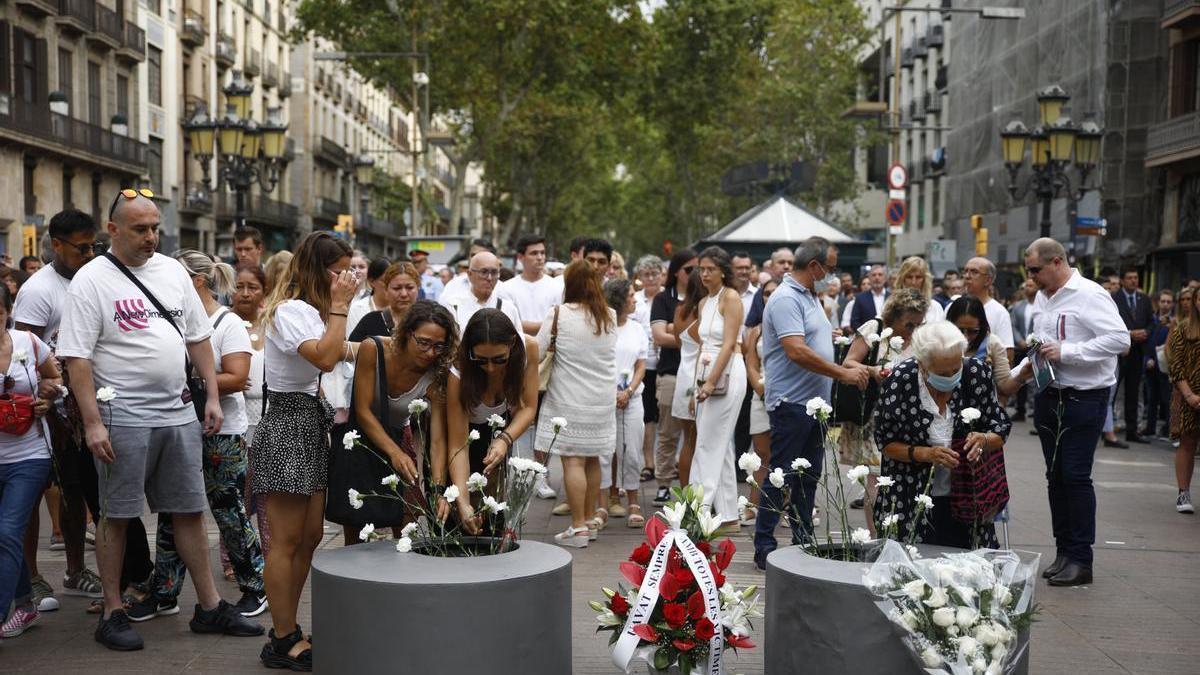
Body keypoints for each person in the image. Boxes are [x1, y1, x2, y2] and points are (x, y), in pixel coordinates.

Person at [57, 191, 261, 650]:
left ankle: (209, 606)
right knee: (117, 514)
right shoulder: (92, 280)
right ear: (113, 231)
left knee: (189, 509)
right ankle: (113, 611)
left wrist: (210, 394)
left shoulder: (172, 271)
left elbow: (198, 337)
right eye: (140, 229)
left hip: (176, 411)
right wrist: (92, 423)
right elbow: (78, 359)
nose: (152, 237)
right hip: (121, 414)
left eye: (155, 229)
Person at [137, 250, 264, 618]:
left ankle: (256, 585)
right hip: (178, 424)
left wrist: (184, 383)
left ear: (195, 282)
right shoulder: (172, 322)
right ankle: (164, 590)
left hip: (223, 432)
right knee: (172, 510)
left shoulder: (228, 323)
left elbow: (238, 377)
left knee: (228, 513)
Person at [251, 231, 357, 669]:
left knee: (310, 536)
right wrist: (341, 307)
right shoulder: (290, 310)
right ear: (319, 271)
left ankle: (287, 625)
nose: (347, 279)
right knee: (285, 540)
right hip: (288, 421)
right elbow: (326, 358)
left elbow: (341, 349)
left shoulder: (310, 311)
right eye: (340, 271)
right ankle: (283, 636)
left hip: (310, 419)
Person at [1013, 238, 1130, 587]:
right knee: (1055, 476)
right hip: (1051, 396)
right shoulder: (1042, 299)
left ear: (1058, 262)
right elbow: (1040, 347)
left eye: (1035, 269)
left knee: (1076, 477)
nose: (1031, 277)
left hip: (1084, 397)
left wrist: (1070, 351)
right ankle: (1064, 551)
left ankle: (1081, 558)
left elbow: (1120, 340)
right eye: (1028, 270)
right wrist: (1018, 373)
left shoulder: (1090, 294)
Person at [13, 209, 108, 612]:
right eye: (81, 247)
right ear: (56, 245)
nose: (89, 254)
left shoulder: (95, 279)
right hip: (46, 413)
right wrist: (46, 393)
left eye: (93, 246)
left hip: (82, 407)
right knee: (34, 495)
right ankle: (32, 577)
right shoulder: (38, 290)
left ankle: (74, 570)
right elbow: (21, 354)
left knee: (76, 491)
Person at [755, 237, 871, 570]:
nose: (833, 274)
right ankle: (765, 545)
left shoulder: (809, 296)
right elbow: (796, 350)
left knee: (807, 477)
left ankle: (802, 540)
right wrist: (841, 374)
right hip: (792, 402)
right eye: (831, 267)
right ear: (814, 266)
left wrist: (846, 360)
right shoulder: (785, 298)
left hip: (813, 403)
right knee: (781, 476)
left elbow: (815, 344)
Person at [873, 321, 1012, 549]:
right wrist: (926, 454)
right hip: (910, 496)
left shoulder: (976, 373)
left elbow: (1000, 428)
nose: (950, 377)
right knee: (910, 570)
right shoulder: (901, 380)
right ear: (921, 365)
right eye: (941, 372)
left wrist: (984, 440)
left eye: (955, 368)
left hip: (969, 496)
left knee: (968, 570)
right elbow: (886, 442)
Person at [352, 301, 458, 540]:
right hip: (362, 443)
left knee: (407, 520)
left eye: (439, 346)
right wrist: (395, 453)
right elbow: (363, 410)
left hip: (400, 438)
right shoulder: (374, 349)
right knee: (359, 527)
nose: (430, 352)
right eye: (423, 342)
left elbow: (438, 440)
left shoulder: (435, 374)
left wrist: (439, 489)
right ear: (406, 333)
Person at [537, 261, 617, 548]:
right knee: (593, 459)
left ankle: (578, 526)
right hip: (601, 400)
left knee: (572, 460)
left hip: (568, 398)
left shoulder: (559, 314)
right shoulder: (610, 315)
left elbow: (536, 351)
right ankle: (590, 521)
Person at [0, 282, 62, 638]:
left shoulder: (29, 343)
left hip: (30, 453)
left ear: (7, 311)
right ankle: (25, 606)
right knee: (5, 536)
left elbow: (56, 378)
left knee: (8, 530)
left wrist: (48, 399)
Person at [840, 288, 929, 536]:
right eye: (908, 324)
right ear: (894, 316)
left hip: (909, 418)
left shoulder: (921, 335)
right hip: (872, 417)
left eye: (918, 324)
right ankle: (877, 537)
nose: (913, 330)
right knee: (877, 482)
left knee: (900, 480)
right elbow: (848, 363)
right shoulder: (874, 328)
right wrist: (873, 371)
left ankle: (900, 534)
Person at [442, 309, 536, 534]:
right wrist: (462, 501)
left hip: (498, 432)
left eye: (499, 359)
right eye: (481, 360)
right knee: (458, 524)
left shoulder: (528, 349)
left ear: (512, 344)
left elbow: (529, 407)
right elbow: (458, 445)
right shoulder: (459, 371)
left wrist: (504, 439)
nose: (491, 368)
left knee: (494, 517)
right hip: (461, 442)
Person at [690, 247, 745, 526]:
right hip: (705, 371)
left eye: (710, 268)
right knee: (719, 443)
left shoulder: (730, 297)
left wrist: (711, 382)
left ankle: (699, 510)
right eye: (702, 268)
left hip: (729, 371)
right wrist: (696, 385)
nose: (705, 273)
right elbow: (702, 346)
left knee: (709, 443)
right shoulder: (703, 303)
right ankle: (728, 515)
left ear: (723, 270)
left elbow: (729, 343)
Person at [649, 250, 697, 502]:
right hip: (671, 374)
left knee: (697, 433)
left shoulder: (704, 297)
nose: (696, 274)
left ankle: (694, 484)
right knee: (668, 432)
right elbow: (659, 336)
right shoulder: (662, 298)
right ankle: (664, 482)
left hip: (699, 375)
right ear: (677, 271)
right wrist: (691, 337)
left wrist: (675, 329)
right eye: (690, 269)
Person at [231, 263, 271, 557]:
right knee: (236, 495)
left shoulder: (273, 325)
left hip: (269, 420)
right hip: (235, 419)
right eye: (239, 286)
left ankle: (271, 553)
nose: (245, 294)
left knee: (269, 495)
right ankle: (235, 557)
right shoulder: (221, 324)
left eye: (252, 287)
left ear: (263, 292)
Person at [600, 279, 646, 527]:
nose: (635, 299)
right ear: (619, 299)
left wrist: (628, 391)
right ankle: (603, 503)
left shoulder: (638, 328)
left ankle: (634, 501)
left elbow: (641, 365)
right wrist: (611, 393)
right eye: (630, 295)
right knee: (606, 452)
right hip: (604, 398)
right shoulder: (601, 327)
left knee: (632, 451)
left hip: (632, 397)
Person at [741, 278, 780, 525]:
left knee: (785, 454)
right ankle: (753, 504)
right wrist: (759, 387)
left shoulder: (795, 326)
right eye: (766, 293)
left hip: (787, 395)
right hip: (760, 396)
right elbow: (751, 364)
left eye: (775, 293)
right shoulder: (755, 331)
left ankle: (783, 506)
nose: (770, 297)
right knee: (761, 454)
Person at [668, 271, 705, 497]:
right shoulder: (705, 313)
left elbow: (679, 344)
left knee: (688, 442)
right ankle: (699, 496)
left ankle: (685, 495)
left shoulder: (679, 311)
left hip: (684, 375)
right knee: (699, 443)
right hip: (699, 379)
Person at [946, 296, 1018, 399]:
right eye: (960, 330)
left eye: (972, 331)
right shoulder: (940, 343)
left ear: (982, 326)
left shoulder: (993, 344)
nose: (965, 337)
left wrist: (1022, 376)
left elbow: (1004, 385)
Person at [1112, 267, 1154, 444]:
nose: (1133, 281)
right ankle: (1105, 428)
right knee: (1111, 392)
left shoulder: (1144, 299)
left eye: (1136, 278)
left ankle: (1132, 430)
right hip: (1118, 352)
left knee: (1133, 392)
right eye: (1129, 278)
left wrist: (1145, 332)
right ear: (1122, 280)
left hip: (1137, 352)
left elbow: (1152, 321)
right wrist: (1129, 333)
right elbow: (1110, 322)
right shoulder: (1114, 298)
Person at [632, 255, 664, 483]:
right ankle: (648, 462)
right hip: (643, 364)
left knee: (668, 416)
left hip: (667, 362)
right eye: (646, 274)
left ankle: (663, 463)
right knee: (647, 415)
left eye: (655, 273)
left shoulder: (669, 297)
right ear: (639, 277)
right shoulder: (634, 299)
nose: (651, 278)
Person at [439, 251, 522, 333]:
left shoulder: (508, 309)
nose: (489, 278)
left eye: (494, 272)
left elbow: (518, 343)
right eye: (484, 272)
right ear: (469, 274)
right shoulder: (453, 307)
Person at [501, 235, 563, 337]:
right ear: (520, 257)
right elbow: (509, 324)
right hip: (518, 348)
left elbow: (562, 323)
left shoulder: (558, 288)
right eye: (534, 253)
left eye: (542, 253)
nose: (540, 257)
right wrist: (549, 325)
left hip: (550, 350)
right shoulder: (506, 288)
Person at [348, 262, 420, 342]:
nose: (404, 294)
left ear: (418, 288)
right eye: (397, 288)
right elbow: (350, 350)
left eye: (409, 288)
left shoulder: (427, 321)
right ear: (386, 290)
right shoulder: (370, 321)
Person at [961, 257, 1014, 363]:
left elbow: (1008, 354)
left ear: (988, 280)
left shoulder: (1000, 312)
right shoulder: (952, 306)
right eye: (965, 271)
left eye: (974, 272)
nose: (967, 276)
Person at [1009, 278, 1040, 422]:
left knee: (1037, 379)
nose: (1028, 288)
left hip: (1036, 347)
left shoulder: (1042, 305)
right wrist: (1020, 340)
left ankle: (1036, 409)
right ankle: (1020, 409)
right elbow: (1013, 325)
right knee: (1021, 375)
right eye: (1026, 285)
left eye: (1031, 285)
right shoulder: (1018, 306)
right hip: (1021, 346)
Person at [1145, 290, 1174, 440]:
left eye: (1169, 301)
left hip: (1166, 366)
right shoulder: (1152, 320)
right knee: (1151, 399)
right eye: (1163, 301)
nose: (1165, 304)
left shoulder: (1175, 322)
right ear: (1158, 302)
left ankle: (1170, 430)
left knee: (1167, 399)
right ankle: (1150, 429)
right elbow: (1147, 343)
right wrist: (1147, 360)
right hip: (1150, 366)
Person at [744, 247, 795, 329]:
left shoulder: (803, 291)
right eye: (781, 262)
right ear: (771, 266)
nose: (786, 266)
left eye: (790, 263)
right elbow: (750, 328)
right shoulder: (761, 294)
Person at [896, 256, 945, 325]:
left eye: (918, 277)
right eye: (909, 277)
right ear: (903, 279)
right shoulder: (893, 307)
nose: (913, 282)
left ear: (925, 280)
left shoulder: (935, 307)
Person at [848, 264, 889, 331]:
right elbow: (854, 322)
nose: (877, 277)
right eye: (874, 275)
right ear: (869, 278)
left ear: (885, 278)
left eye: (880, 275)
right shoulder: (860, 298)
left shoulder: (892, 297)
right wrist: (865, 335)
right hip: (867, 339)